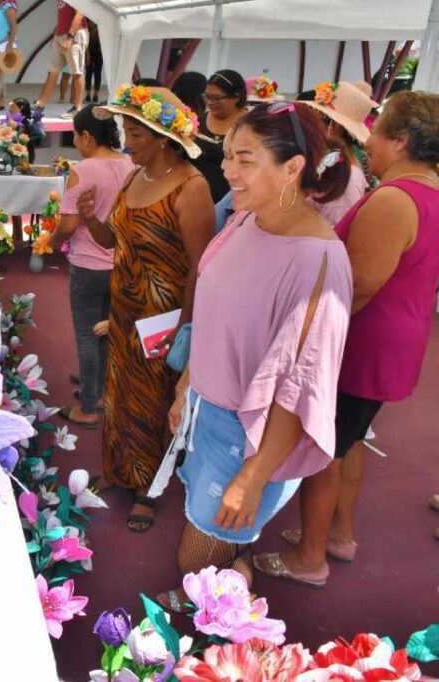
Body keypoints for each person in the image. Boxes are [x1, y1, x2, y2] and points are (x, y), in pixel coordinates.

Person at [152, 102, 354, 609]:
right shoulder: (248, 221)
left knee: (196, 550)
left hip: (251, 435)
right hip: (209, 410)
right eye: (227, 156)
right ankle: (226, 585)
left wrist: (255, 473)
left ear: (293, 168)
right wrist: (187, 387)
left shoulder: (318, 262)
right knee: (218, 533)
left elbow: (299, 385)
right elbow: (217, 317)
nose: (227, 171)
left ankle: (225, 596)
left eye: (245, 159)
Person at [257, 90, 439, 588]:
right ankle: (338, 533)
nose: (370, 142)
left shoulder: (395, 198)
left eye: (378, 133)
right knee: (347, 440)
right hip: (392, 339)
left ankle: (310, 558)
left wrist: (307, 340)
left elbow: (357, 285)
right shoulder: (427, 192)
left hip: (364, 342)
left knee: (323, 447)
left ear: (399, 141)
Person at [80, 86, 214, 532]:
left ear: (162, 138)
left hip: (164, 317)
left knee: (155, 401)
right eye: (125, 130)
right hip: (124, 309)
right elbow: (112, 241)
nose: (126, 140)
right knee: (119, 395)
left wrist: (186, 325)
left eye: (135, 132)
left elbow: (201, 266)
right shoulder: (136, 177)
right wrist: (88, 219)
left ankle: (148, 488)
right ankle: (121, 471)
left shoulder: (192, 187)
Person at [49, 106, 134, 428]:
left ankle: (88, 405)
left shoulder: (83, 169)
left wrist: (52, 242)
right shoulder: (130, 164)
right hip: (120, 262)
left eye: (75, 134)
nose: (74, 141)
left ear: (86, 136)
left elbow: (69, 225)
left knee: (87, 334)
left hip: (88, 264)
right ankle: (97, 386)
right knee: (107, 331)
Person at [296, 81, 377, 224]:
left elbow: (335, 231)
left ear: (334, 127)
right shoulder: (331, 162)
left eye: (313, 119)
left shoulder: (347, 180)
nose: (305, 125)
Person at [194, 69, 246, 202]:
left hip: (230, 198)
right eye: (207, 97)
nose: (210, 102)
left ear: (236, 97)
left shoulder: (250, 126)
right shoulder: (198, 121)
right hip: (195, 195)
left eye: (216, 98)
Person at [35, 1, 87, 119]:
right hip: (60, 35)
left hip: (75, 34)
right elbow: (62, 17)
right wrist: (56, 35)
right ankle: (41, 105)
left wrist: (69, 37)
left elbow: (80, 14)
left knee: (77, 72)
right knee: (52, 71)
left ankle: (78, 108)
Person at [85, 20, 102, 103]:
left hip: (99, 51)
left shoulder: (101, 26)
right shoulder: (87, 25)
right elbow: (86, 41)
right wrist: (87, 53)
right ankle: (88, 94)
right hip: (90, 51)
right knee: (89, 73)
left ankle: (95, 94)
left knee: (97, 73)